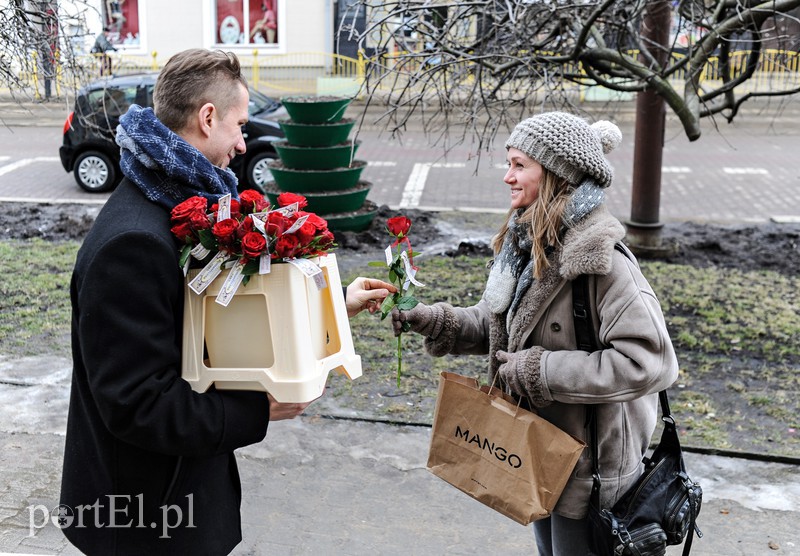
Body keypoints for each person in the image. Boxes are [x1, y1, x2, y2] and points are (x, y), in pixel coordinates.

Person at [60, 48, 394, 555]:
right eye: (240, 125)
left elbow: (209, 317)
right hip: (145, 518)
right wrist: (257, 411)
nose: (243, 143)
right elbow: (137, 405)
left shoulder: (172, 203)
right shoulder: (134, 241)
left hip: (173, 495)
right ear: (207, 117)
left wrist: (329, 307)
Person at [392, 112, 679, 555]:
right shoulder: (526, 246)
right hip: (540, 450)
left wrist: (541, 370)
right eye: (509, 162)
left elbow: (649, 362)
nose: (507, 176)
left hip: (591, 467)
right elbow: (499, 327)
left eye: (520, 164)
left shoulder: (603, 262)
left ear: (557, 175)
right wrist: (433, 319)